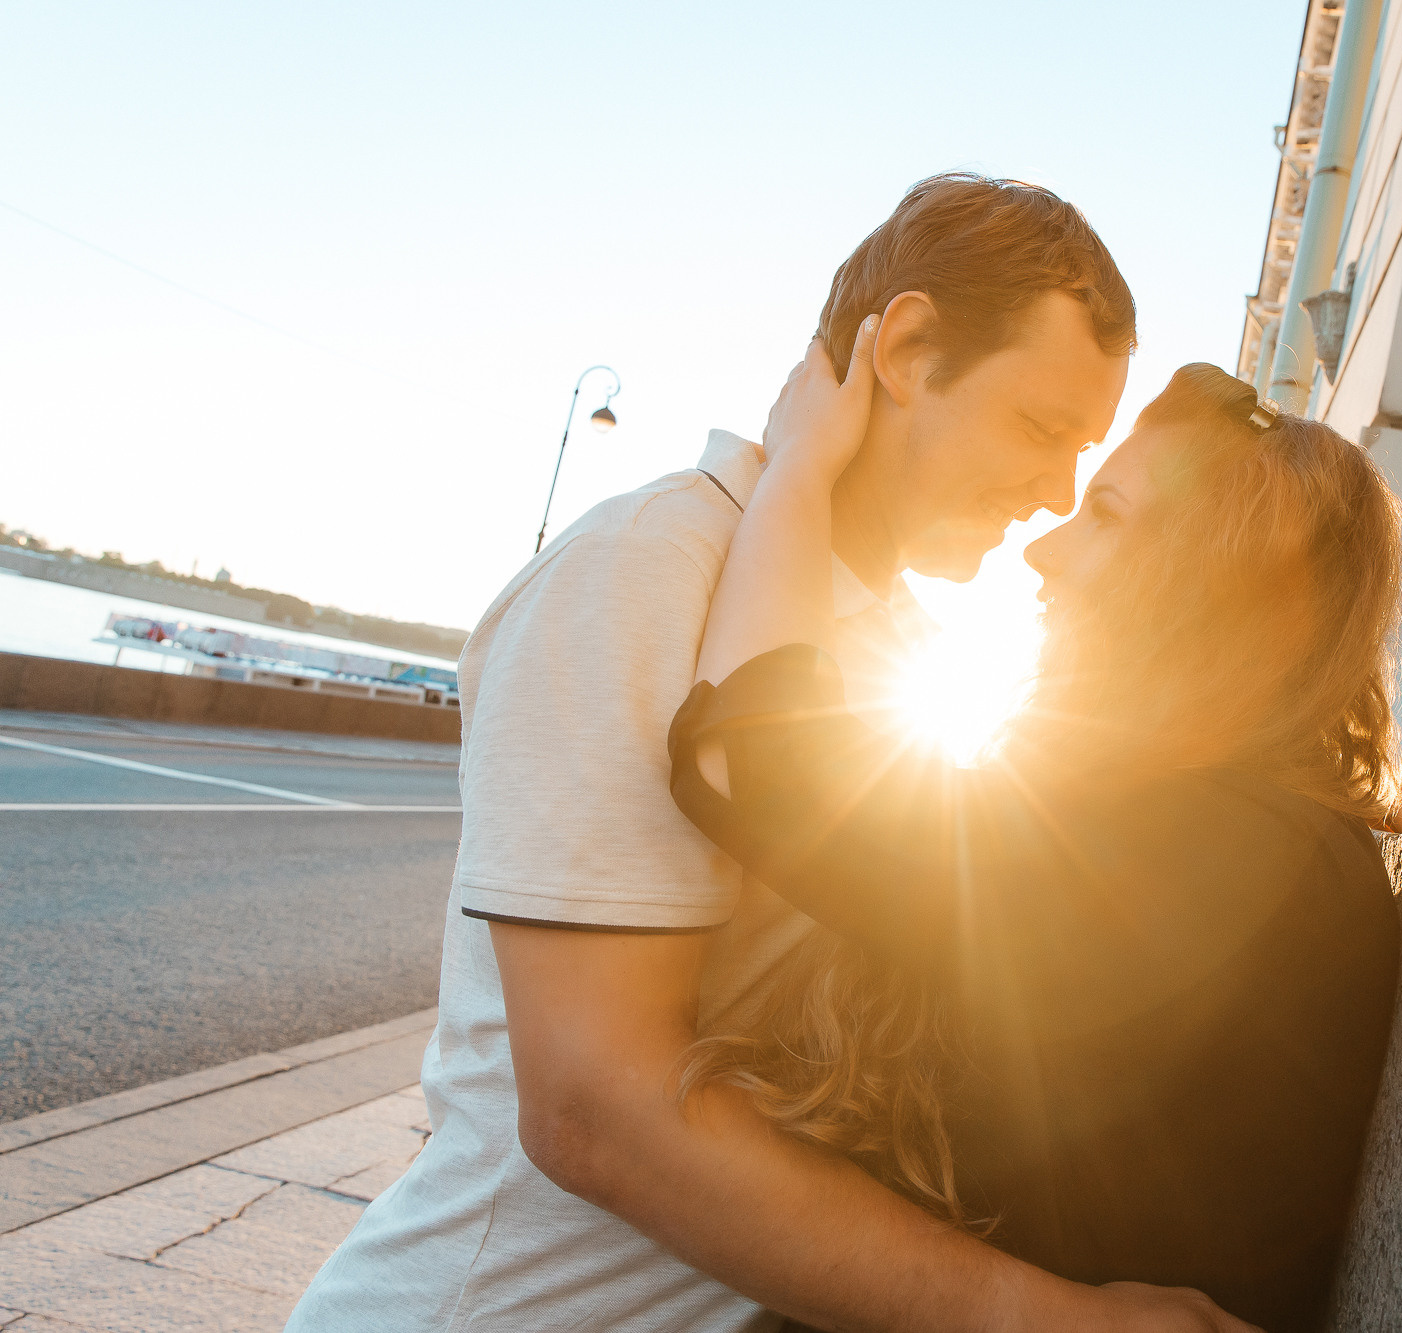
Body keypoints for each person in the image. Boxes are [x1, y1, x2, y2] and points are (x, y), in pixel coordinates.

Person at [290, 175, 1255, 1331]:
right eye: (1042, 431)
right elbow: (596, 1108)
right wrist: (1048, 1317)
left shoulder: (897, 640)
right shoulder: (643, 572)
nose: (1054, 495)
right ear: (902, 348)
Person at [669, 341, 1402, 1331]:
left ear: (1210, 586)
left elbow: (748, 768)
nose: (1042, 549)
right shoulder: (1242, 829)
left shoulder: (1231, 850)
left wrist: (797, 469)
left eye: (1103, 514)